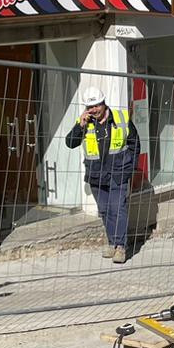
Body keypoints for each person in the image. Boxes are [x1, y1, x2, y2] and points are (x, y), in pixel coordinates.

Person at [64, 87, 138, 263]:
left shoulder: (121, 118)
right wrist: (79, 126)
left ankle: (121, 247)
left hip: (118, 172)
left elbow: (135, 143)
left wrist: (130, 168)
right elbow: (70, 143)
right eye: (90, 107)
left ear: (103, 104)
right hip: (97, 175)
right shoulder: (85, 123)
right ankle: (112, 243)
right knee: (105, 211)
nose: (94, 110)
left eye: (96, 105)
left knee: (118, 208)